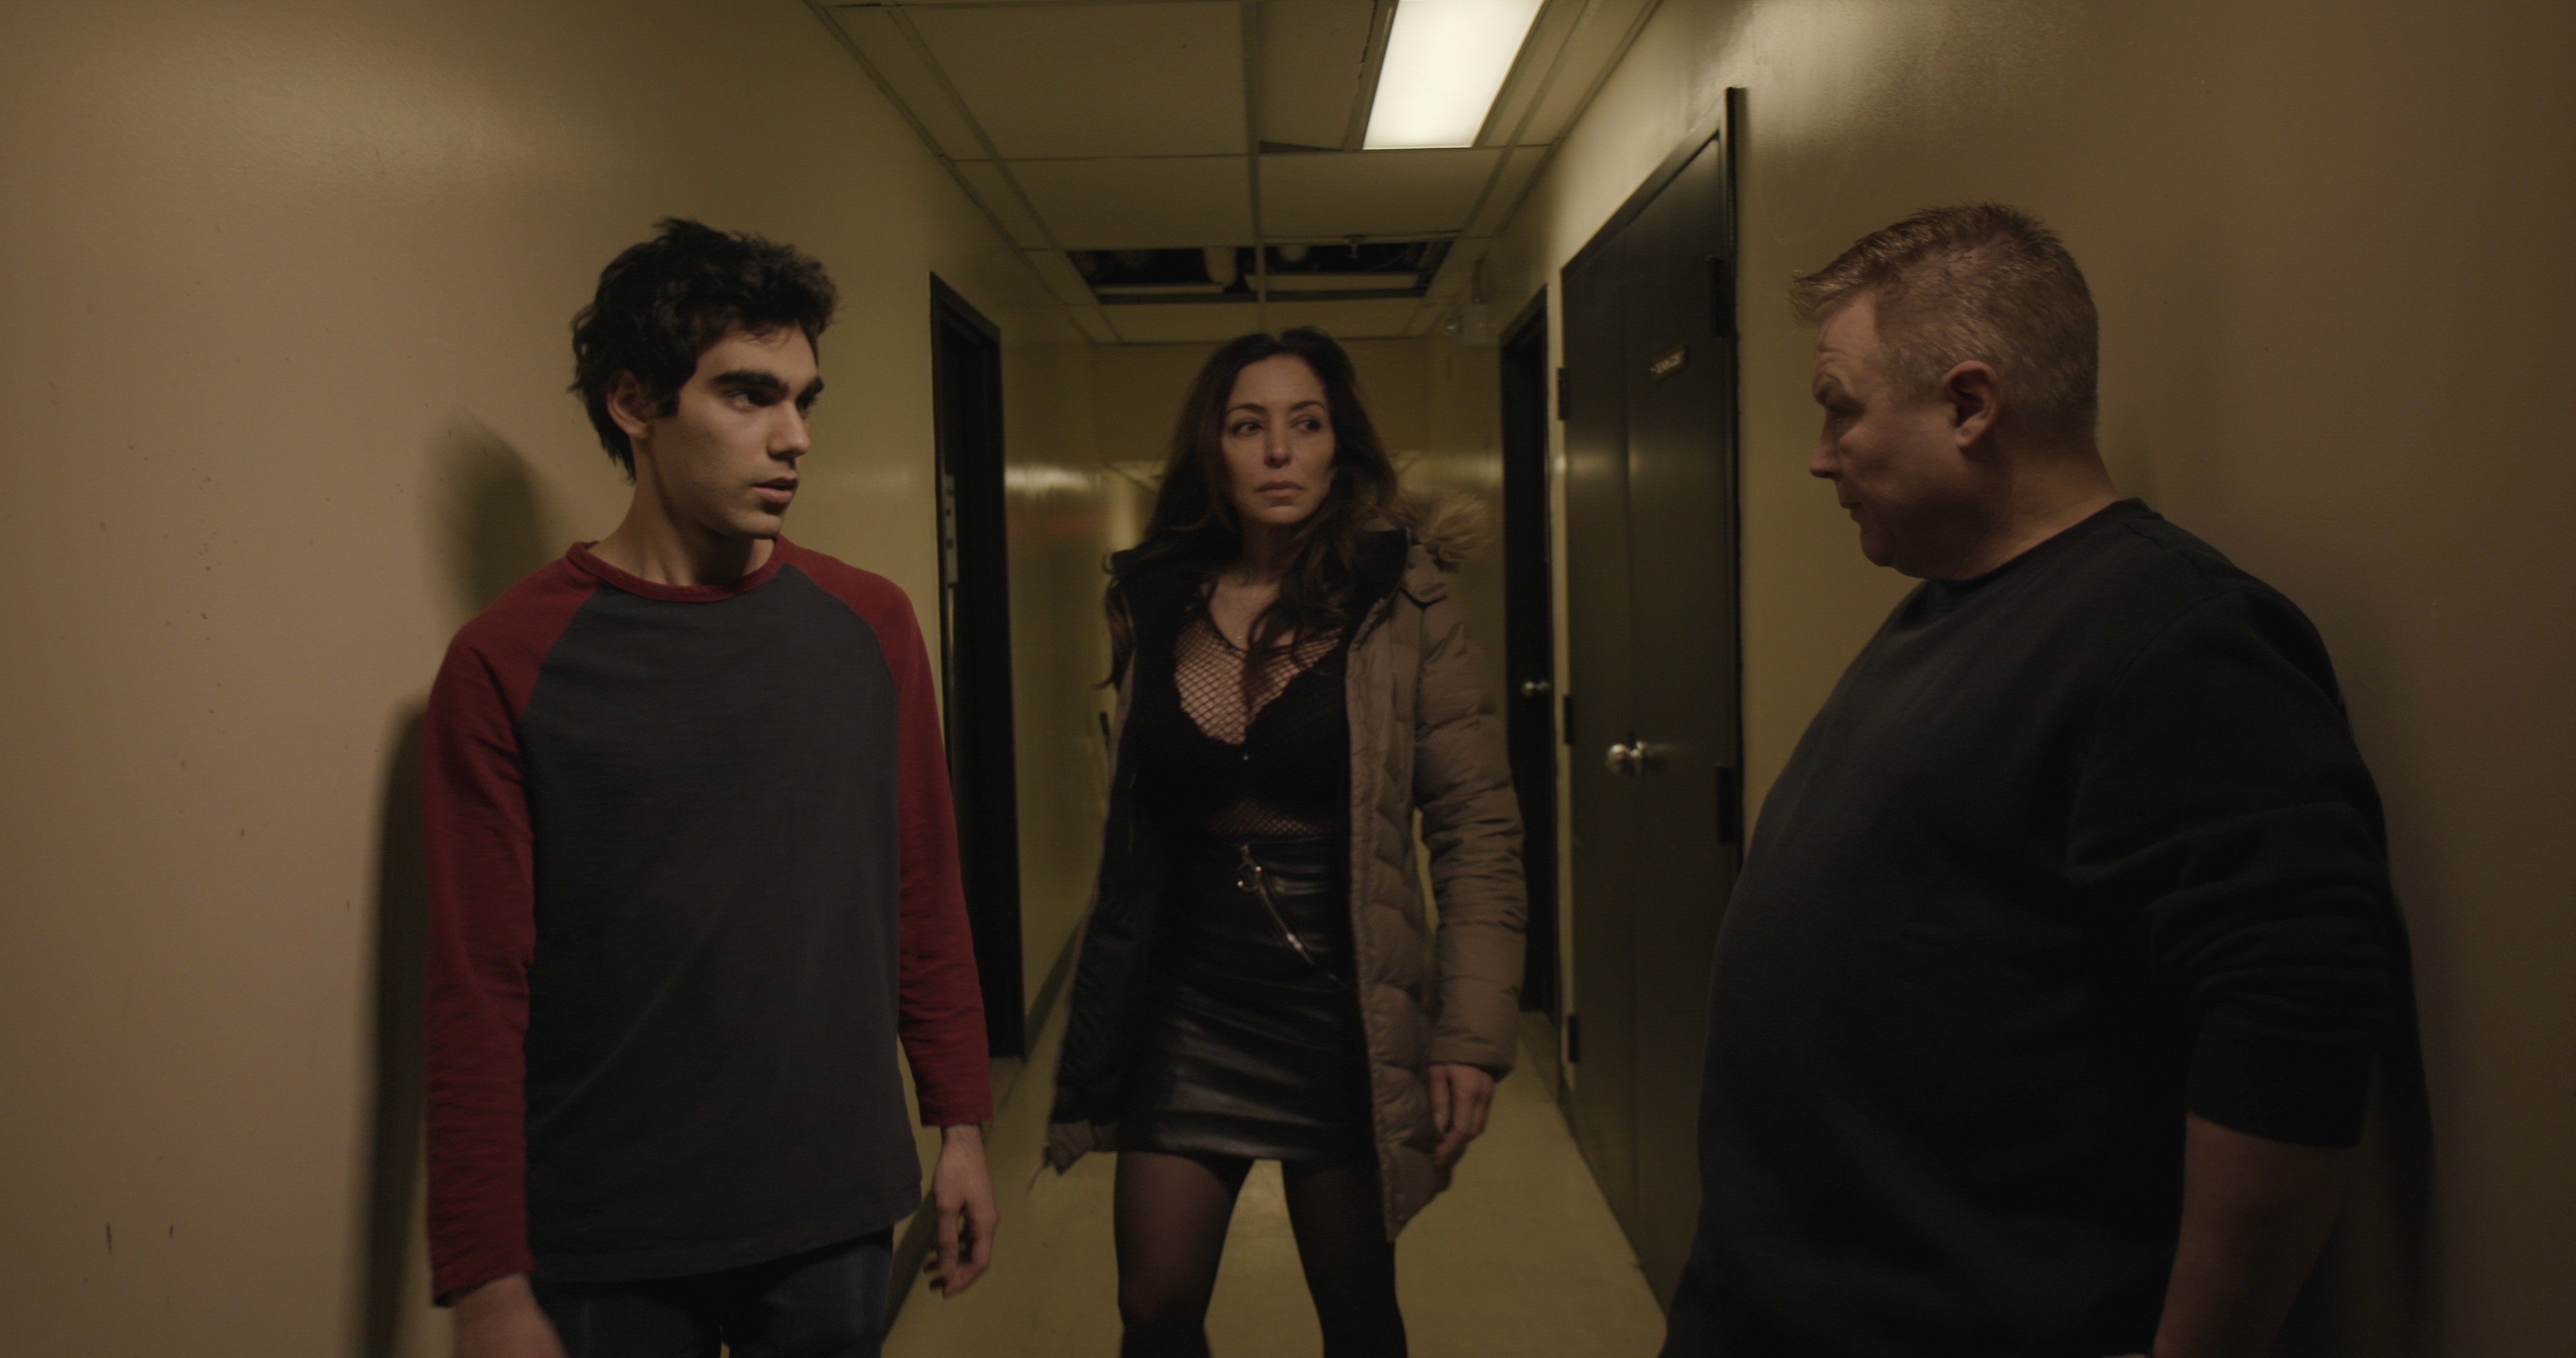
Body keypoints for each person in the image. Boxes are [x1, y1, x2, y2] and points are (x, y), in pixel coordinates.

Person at [1661, 204, 2412, 1357]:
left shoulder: (2178, 639)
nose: (1820, 454)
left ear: (1970, 405)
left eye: (1840, 407)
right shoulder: (1953, 605)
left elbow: (2291, 1033)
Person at [423, 218, 999, 1358]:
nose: (794, 438)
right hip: (610, 1229)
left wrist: (963, 1125)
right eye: (748, 396)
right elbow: (477, 987)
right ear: (634, 402)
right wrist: (485, 1277)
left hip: (830, 1203)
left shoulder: (869, 626)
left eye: (803, 401)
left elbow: (923, 894)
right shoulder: (509, 661)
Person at [1045, 328, 1528, 1357]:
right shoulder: (1160, 601)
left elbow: (1477, 827)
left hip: (1340, 1001)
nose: (1277, 451)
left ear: (1337, 446)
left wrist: (1469, 1036)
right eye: (1247, 426)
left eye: (1305, 425)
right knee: (1154, 1305)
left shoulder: (1404, 601)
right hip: (1190, 993)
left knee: (1357, 1314)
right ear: (1213, 450)